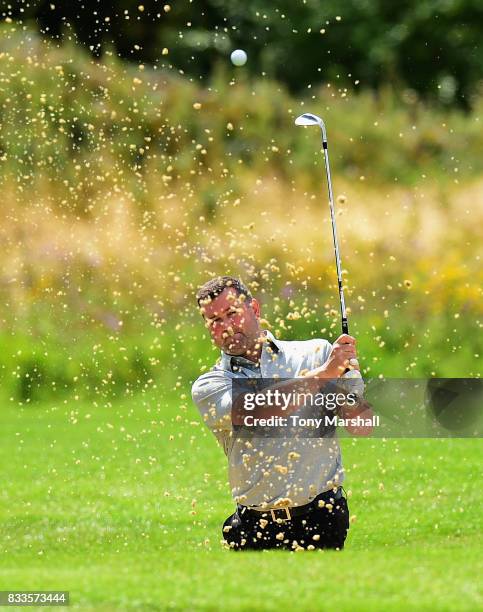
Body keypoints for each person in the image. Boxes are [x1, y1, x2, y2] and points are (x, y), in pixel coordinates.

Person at [191, 275, 370, 551]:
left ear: (255, 309)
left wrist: (346, 383)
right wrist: (324, 375)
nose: (226, 326)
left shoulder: (316, 353)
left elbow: (361, 425)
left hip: (323, 517)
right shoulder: (210, 385)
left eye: (232, 313)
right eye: (215, 321)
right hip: (255, 527)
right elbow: (257, 409)